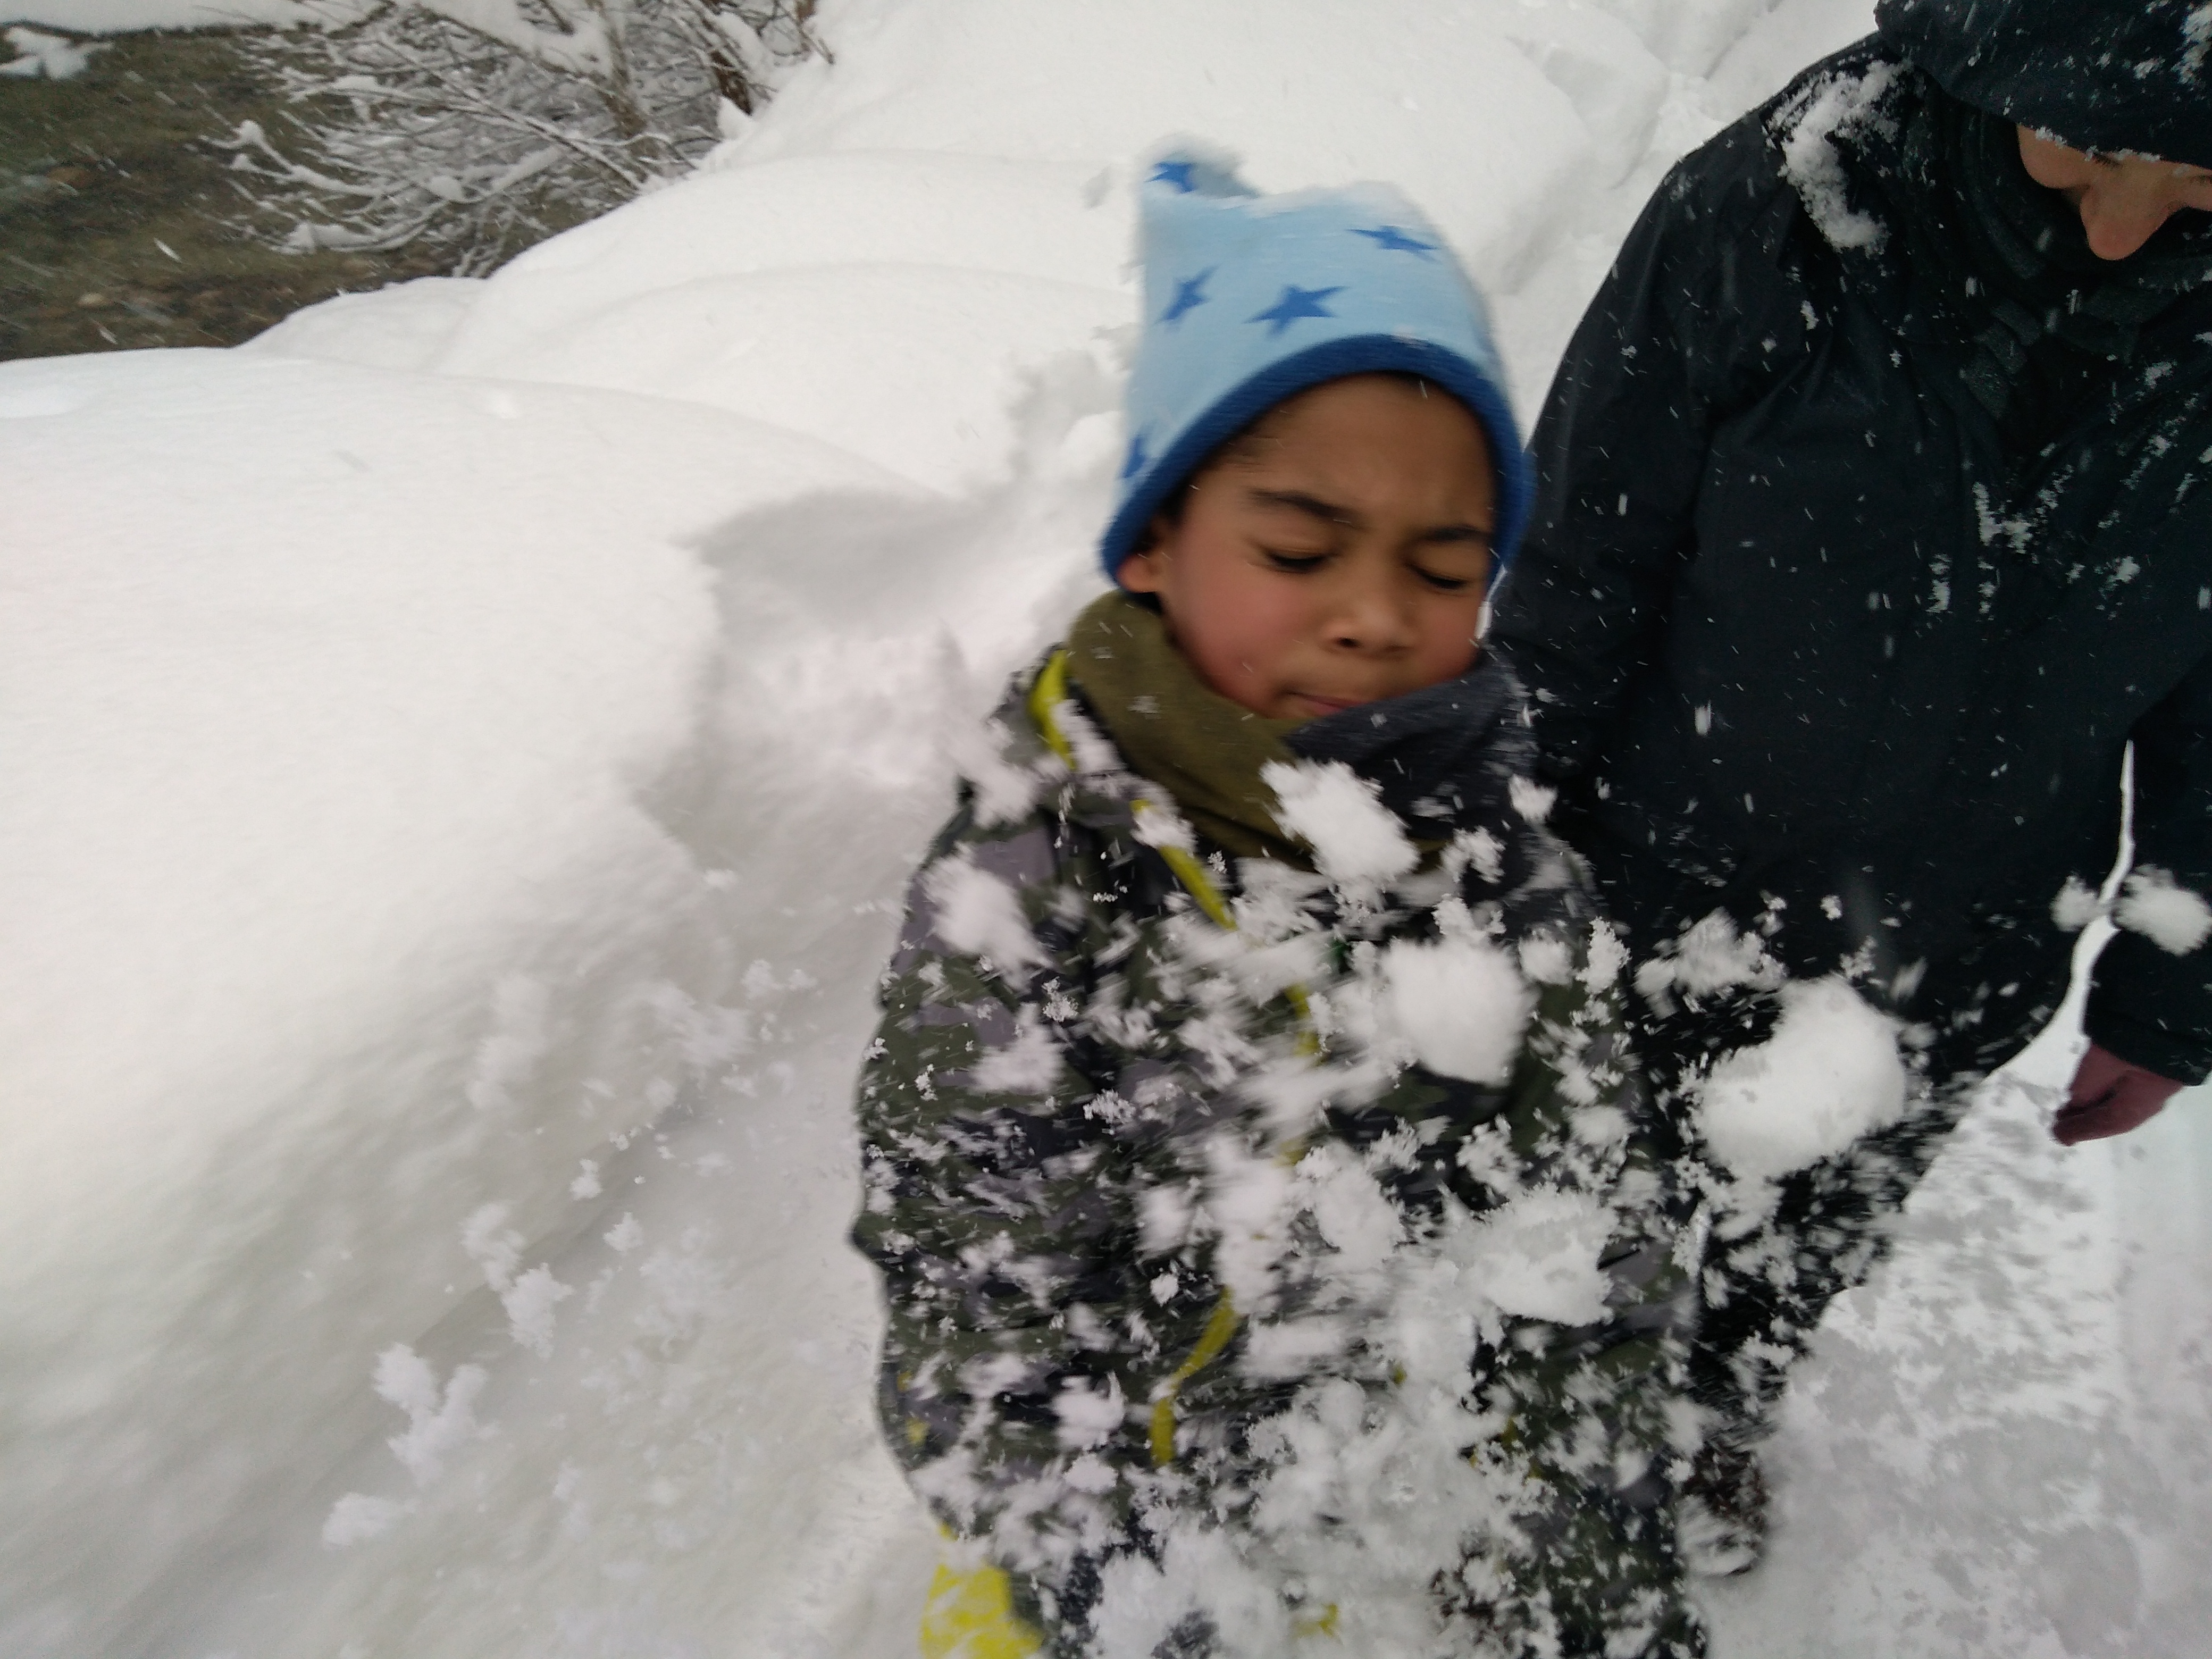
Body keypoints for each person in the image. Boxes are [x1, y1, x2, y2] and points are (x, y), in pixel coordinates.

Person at [852, 153, 1704, 1658]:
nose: (1374, 612)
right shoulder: (1037, 874)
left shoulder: (1496, 871)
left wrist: (1592, 1566)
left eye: (1445, 566)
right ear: (1155, 543)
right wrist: (1112, 1587)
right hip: (1083, 1539)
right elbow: (977, 1267)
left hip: (1334, 1481)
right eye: (1300, 550)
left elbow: (1585, 1233)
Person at [1484, 0, 2212, 1571]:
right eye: (2085, 148)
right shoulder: (1784, 208)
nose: (2125, 227)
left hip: (1964, 939)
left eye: (2206, 173)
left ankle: (1720, 1410)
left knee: (1804, 1236)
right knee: (1580, 1222)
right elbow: (1582, 570)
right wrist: (1499, 844)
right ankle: (1542, 1496)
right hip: (1657, 897)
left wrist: (2173, 996)